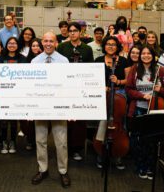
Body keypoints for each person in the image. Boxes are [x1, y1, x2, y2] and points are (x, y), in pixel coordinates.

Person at [31, 31, 70, 188]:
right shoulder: (35, 62)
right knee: (40, 140)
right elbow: (31, 86)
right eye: (45, 41)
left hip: (58, 106)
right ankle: (43, 169)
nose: (48, 43)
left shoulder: (64, 61)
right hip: (40, 106)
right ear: (42, 43)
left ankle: (63, 171)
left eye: (51, 41)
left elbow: (68, 85)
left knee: (61, 141)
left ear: (56, 43)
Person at [126, 45, 164, 179]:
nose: (146, 55)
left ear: (153, 55)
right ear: (140, 56)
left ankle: (151, 167)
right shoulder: (134, 69)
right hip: (138, 108)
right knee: (138, 140)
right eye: (143, 53)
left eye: (148, 53)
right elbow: (128, 89)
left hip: (155, 109)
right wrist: (142, 96)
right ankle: (141, 166)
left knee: (151, 140)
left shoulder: (160, 70)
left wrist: (159, 90)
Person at [57, 22, 93, 161]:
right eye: (70, 31)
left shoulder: (87, 49)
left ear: (80, 32)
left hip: (81, 87)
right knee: (65, 118)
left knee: (79, 120)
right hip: (65, 87)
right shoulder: (62, 47)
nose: (72, 33)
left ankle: (76, 149)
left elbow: (91, 68)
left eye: (75, 31)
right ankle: (64, 147)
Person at [94, 36, 129, 170]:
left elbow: (128, 79)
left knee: (120, 124)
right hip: (103, 94)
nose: (110, 46)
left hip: (120, 94)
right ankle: (101, 154)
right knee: (103, 123)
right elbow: (93, 78)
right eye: (108, 44)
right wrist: (102, 86)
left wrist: (118, 82)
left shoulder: (124, 61)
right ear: (104, 46)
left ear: (117, 47)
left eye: (113, 44)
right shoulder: (98, 60)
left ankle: (118, 155)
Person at [0, 37, 27, 154]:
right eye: (10, 43)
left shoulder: (22, 58)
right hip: (4, 93)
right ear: (6, 45)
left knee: (14, 120)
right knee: (3, 119)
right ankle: (4, 140)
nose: (12, 45)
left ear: (18, 45)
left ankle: (13, 141)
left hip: (17, 93)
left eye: (14, 43)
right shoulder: (1, 58)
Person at [23, 38, 44, 150]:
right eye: (33, 46)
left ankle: (41, 140)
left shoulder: (46, 59)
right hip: (31, 92)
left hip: (44, 92)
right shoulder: (27, 60)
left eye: (37, 45)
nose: (35, 48)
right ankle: (30, 140)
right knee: (30, 119)